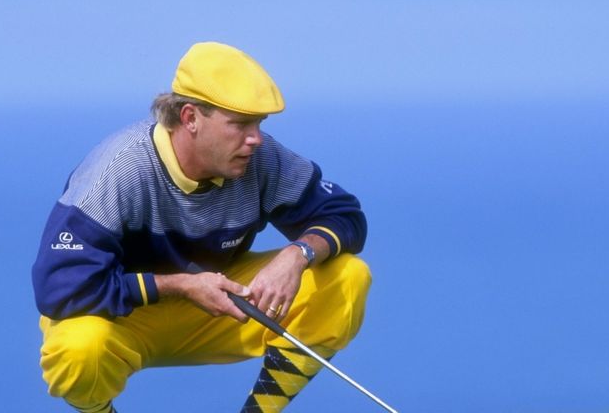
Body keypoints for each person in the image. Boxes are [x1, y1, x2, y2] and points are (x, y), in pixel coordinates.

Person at [32, 41, 371, 413]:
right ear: (190, 117)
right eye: (240, 125)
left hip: (216, 307)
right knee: (78, 351)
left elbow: (345, 215)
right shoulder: (117, 170)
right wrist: (181, 285)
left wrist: (297, 254)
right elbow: (60, 289)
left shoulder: (258, 158)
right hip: (122, 320)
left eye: (259, 124)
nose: (255, 138)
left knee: (346, 276)